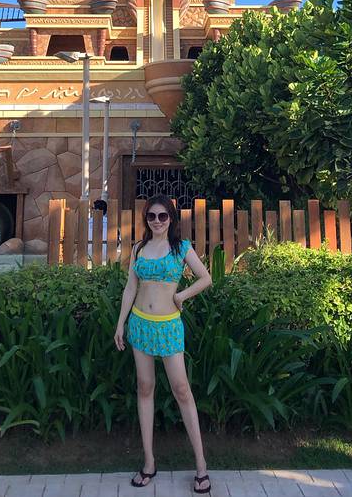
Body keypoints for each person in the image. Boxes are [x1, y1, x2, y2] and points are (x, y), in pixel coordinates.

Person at [114, 195, 212, 493]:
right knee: (145, 388)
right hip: (140, 325)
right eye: (152, 216)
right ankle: (149, 462)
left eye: (163, 216)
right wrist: (121, 323)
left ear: (171, 219)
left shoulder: (181, 248)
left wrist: (181, 296)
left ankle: (201, 466)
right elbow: (130, 287)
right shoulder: (139, 248)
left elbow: (205, 278)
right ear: (146, 219)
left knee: (182, 390)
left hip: (168, 327)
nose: (157, 221)